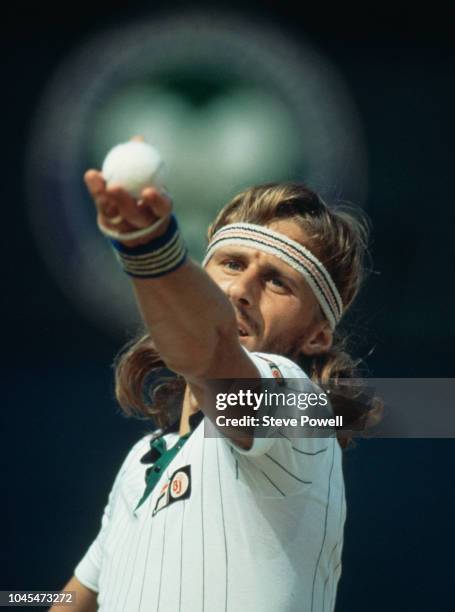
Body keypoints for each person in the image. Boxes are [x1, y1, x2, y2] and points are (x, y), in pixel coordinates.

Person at [53, 173, 378, 612]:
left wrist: (150, 250)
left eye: (277, 281)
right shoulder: (140, 463)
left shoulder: (303, 413)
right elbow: (75, 598)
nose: (241, 290)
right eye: (231, 264)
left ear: (317, 336)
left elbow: (208, 353)